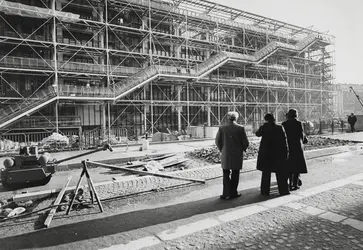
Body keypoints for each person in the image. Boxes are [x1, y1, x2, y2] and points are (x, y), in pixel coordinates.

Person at [215, 111, 249, 200]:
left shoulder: (222, 128)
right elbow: (245, 142)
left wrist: (222, 149)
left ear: (228, 118)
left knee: (225, 173)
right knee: (235, 173)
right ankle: (234, 192)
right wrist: (242, 149)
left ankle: (225, 193)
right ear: (236, 118)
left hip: (226, 154)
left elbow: (217, 141)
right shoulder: (241, 128)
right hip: (237, 154)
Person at [255, 113, 290, 196]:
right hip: (278, 153)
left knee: (266, 173)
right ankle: (283, 191)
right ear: (274, 119)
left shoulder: (264, 127)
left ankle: (264, 191)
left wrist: (263, 126)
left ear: (266, 120)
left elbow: (257, 134)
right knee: (280, 173)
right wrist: (286, 152)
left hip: (266, 154)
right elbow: (284, 141)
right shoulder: (279, 127)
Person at [282, 109, 308, 191]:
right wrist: (304, 140)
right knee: (297, 166)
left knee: (289, 165)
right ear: (296, 115)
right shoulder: (298, 123)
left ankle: (290, 183)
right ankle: (295, 184)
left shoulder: (284, 124)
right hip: (297, 146)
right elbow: (301, 134)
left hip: (288, 146)